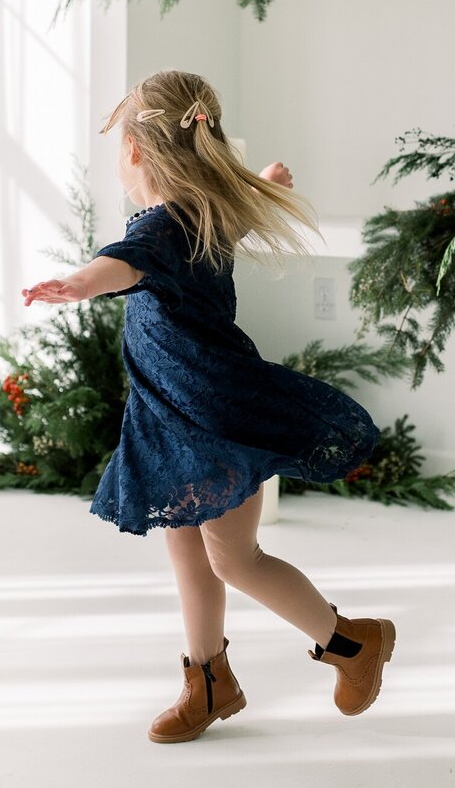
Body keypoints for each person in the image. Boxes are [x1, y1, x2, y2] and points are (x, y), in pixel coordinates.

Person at [21, 68, 397, 743]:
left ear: (135, 151)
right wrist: (266, 188)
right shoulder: (201, 213)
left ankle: (353, 644)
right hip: (170, 419)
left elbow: (126, 264)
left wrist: (79, 283)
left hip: (216, 414)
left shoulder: (164, 226)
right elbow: (229, 219)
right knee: (189, 558)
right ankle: (210, 682)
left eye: (117, 145)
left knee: (233, 559)